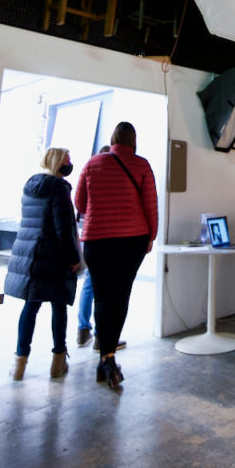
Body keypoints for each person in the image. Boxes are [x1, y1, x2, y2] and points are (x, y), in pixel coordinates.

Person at [75, 122, 158, 389]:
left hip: (97, 239)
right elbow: (150, 205)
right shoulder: (141, 165)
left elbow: (79, 203)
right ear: (133, 141)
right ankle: (110, 356)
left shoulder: (92, 164)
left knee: (102, 295)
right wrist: (151, 237)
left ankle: (104, 357)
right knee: (121, 295)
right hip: (132, 239)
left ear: (112, 139)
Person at [4, 147, 81, 381]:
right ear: (59, 164)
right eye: (68, 160)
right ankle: (58, 362)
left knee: (30, 306)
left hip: (31, 257)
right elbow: (63, 228)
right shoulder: (59, 189)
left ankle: (19, 363)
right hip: (54, 258)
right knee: (58, 307)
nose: (71, 164)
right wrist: (73, 258)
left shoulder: (30, 188)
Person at [76, 146, 127, 353]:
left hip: (92, 235)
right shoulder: (114, 176)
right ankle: (102, 338)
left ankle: (83, 329)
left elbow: (79, 203)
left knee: (91, 283)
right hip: (113, 237)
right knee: (111, 292)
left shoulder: (89, 172)